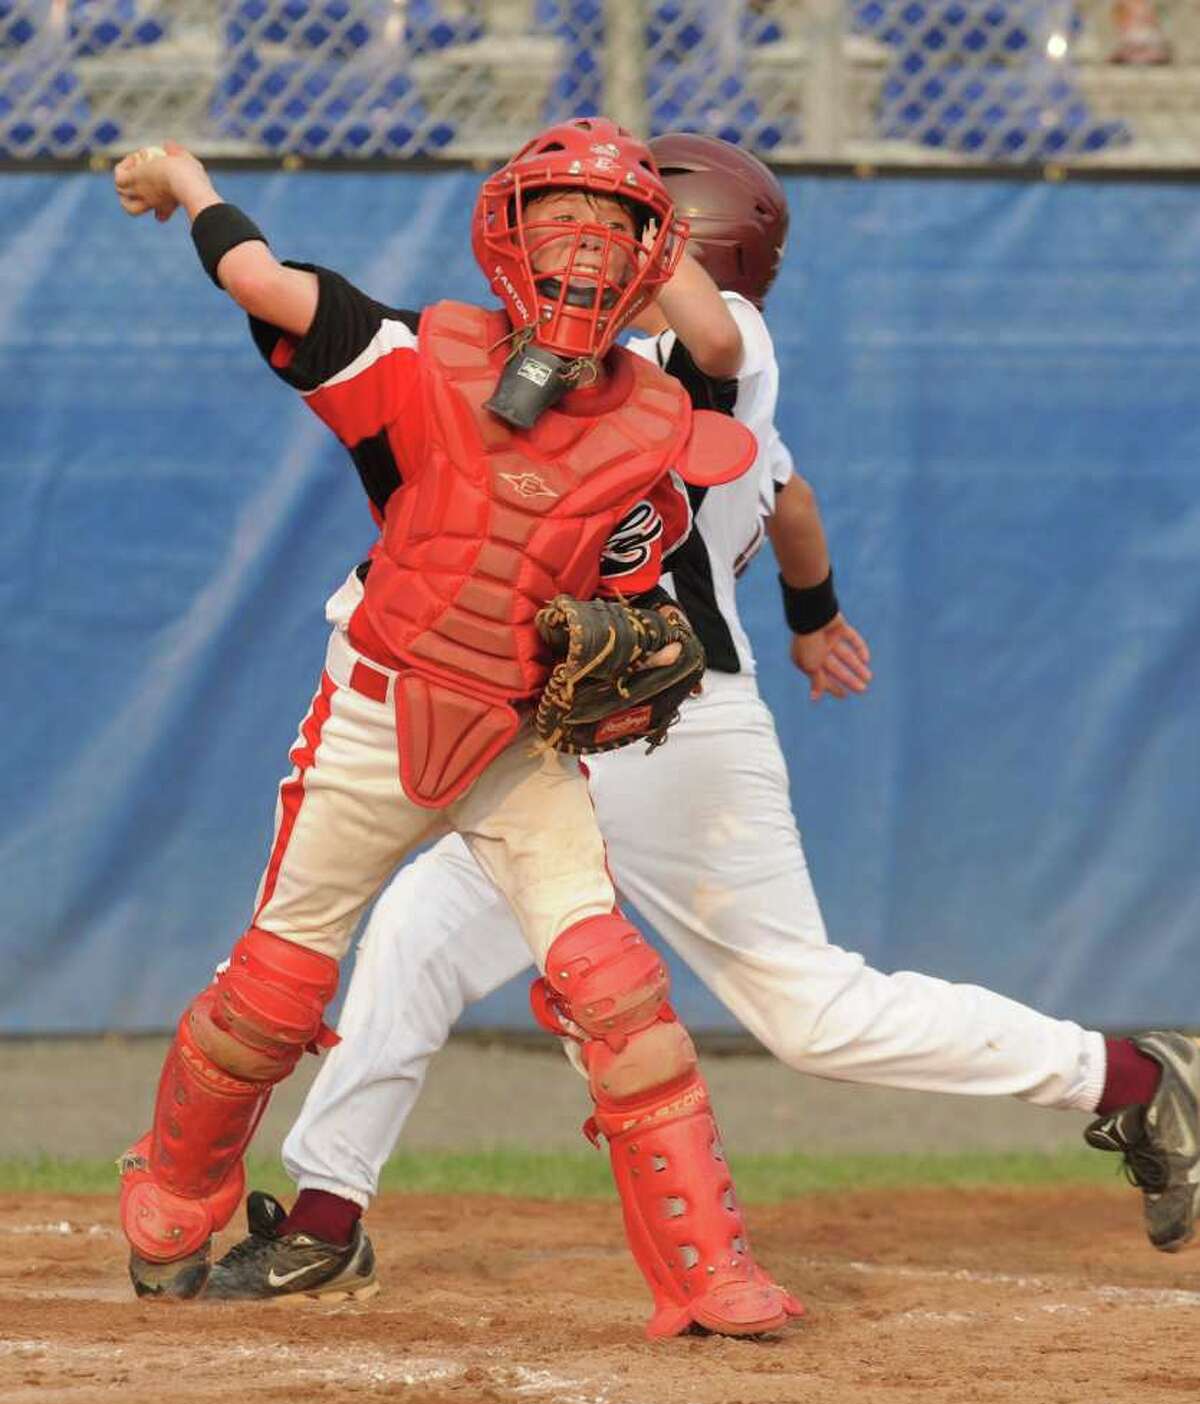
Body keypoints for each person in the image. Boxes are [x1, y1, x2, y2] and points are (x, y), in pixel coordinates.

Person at [201, 130, 1200, 1305]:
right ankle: (327, 1213)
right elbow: (792, 499)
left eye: (627, 223)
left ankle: (1137, 1075)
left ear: (688, 241)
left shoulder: (718, 338)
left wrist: (648, 236)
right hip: (577, 722)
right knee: (421, 934)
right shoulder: (621, 372)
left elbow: (720, 354)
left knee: (810, 1011)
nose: (590, 242)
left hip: (669, 731)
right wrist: (816, 617)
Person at [110, 116, 804, 1340]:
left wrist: (641, 644)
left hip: (521, 745)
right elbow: (259, 280)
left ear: (655, 256)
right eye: (562, 219)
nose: (584, 248)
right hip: (378, 712)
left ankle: (705, 1272)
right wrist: (187, 178)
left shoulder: (656, 421)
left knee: (618, 993)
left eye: (614, 226)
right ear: (507, 233)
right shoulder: (416, 352)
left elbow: (641, 576)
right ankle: (174, 1195)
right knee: (273, 988)